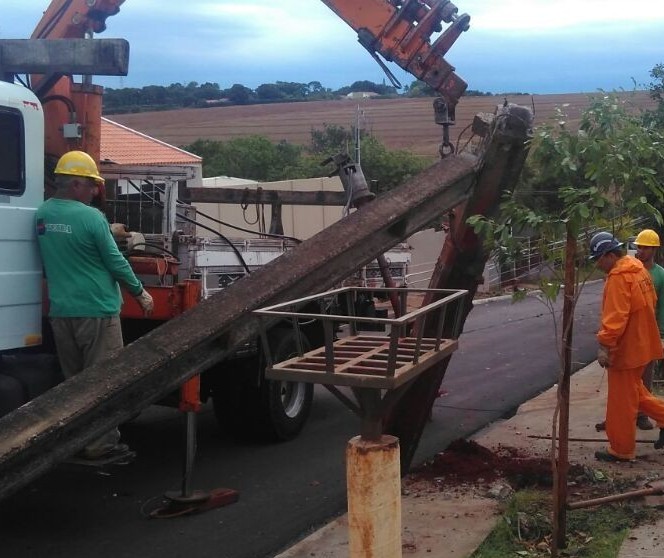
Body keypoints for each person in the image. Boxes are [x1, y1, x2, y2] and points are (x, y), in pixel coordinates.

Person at [36, 150, 154, 460]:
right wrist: (140, 292)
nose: (95, 191)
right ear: (76, 184)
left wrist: (103, 232)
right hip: (97, 311)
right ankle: (100, 444)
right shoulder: (92, 218)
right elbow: (115, 262)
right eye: (91, 185)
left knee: (74, 383)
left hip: (62, 312)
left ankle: (76, 441)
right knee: (103, 382)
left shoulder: (43, 215)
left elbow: (66, 242)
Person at [589, 231, 664, 462]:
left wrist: (605, 345)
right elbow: (651, 302)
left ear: (609, 255)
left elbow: (615, 317)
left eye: (598, 259)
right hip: (642, 345)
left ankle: (621, 450)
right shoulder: (638, 270)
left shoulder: (620, 277)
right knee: (637, 393)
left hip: (627, 351)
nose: (597, 264)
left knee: (622, 403)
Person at [634, 229, 664, 429]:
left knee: (646, 375)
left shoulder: (660, 275)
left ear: (654, 249)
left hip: (650, 332)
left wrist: (660, 333)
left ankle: (642, 415)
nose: (642, 251)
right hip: (631, 332)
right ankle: (621, 413)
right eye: (639, 247)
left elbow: (662, 306)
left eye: (646, 247)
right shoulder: (631, 269)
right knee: (625, 375)